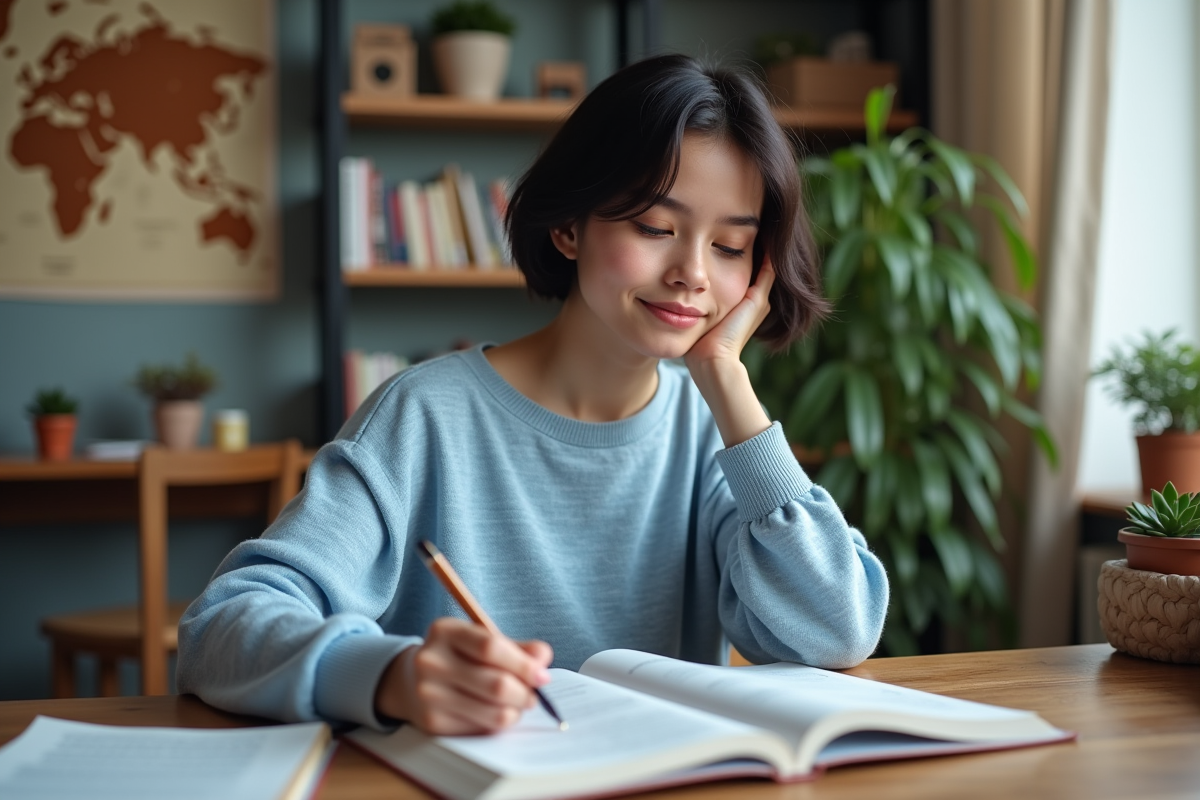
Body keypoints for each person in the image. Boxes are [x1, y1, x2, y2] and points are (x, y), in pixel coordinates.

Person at [177, 53, 889, 736]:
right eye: (655, 228)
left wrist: (728, 382)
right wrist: (390, 674)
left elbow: (838, 629)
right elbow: (222, 627)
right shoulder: (425, 416)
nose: (693, 274)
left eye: (731, 247)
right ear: (568, 225)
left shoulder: (717, 436)